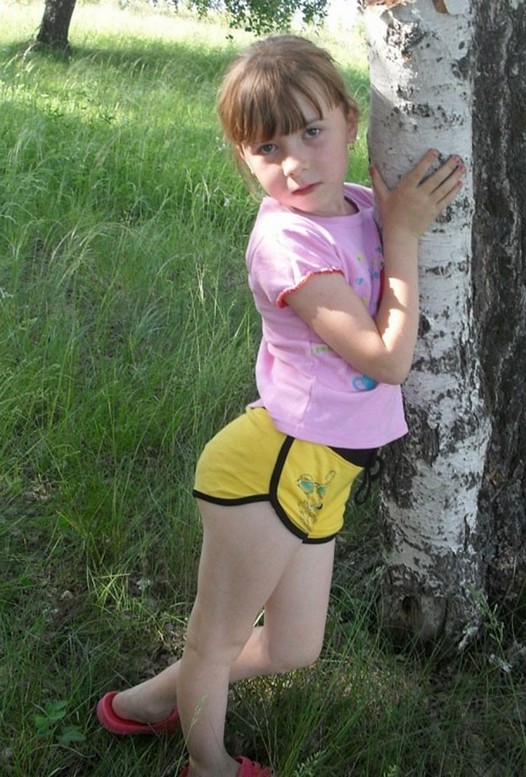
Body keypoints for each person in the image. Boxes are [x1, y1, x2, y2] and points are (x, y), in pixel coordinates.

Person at [96, 34, 465, 777]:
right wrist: (403, 235)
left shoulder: (359, 203)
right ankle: (208, 765)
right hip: (267, 472)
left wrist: (391, 218)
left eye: (311, 132)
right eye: (267, 148)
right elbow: (387, 358)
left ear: (352, 121)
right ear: (243, 157)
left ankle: (144, 701)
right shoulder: (289, 244)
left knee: (295, 647)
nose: (294, 162)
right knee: (216, 641)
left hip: (320, 473)